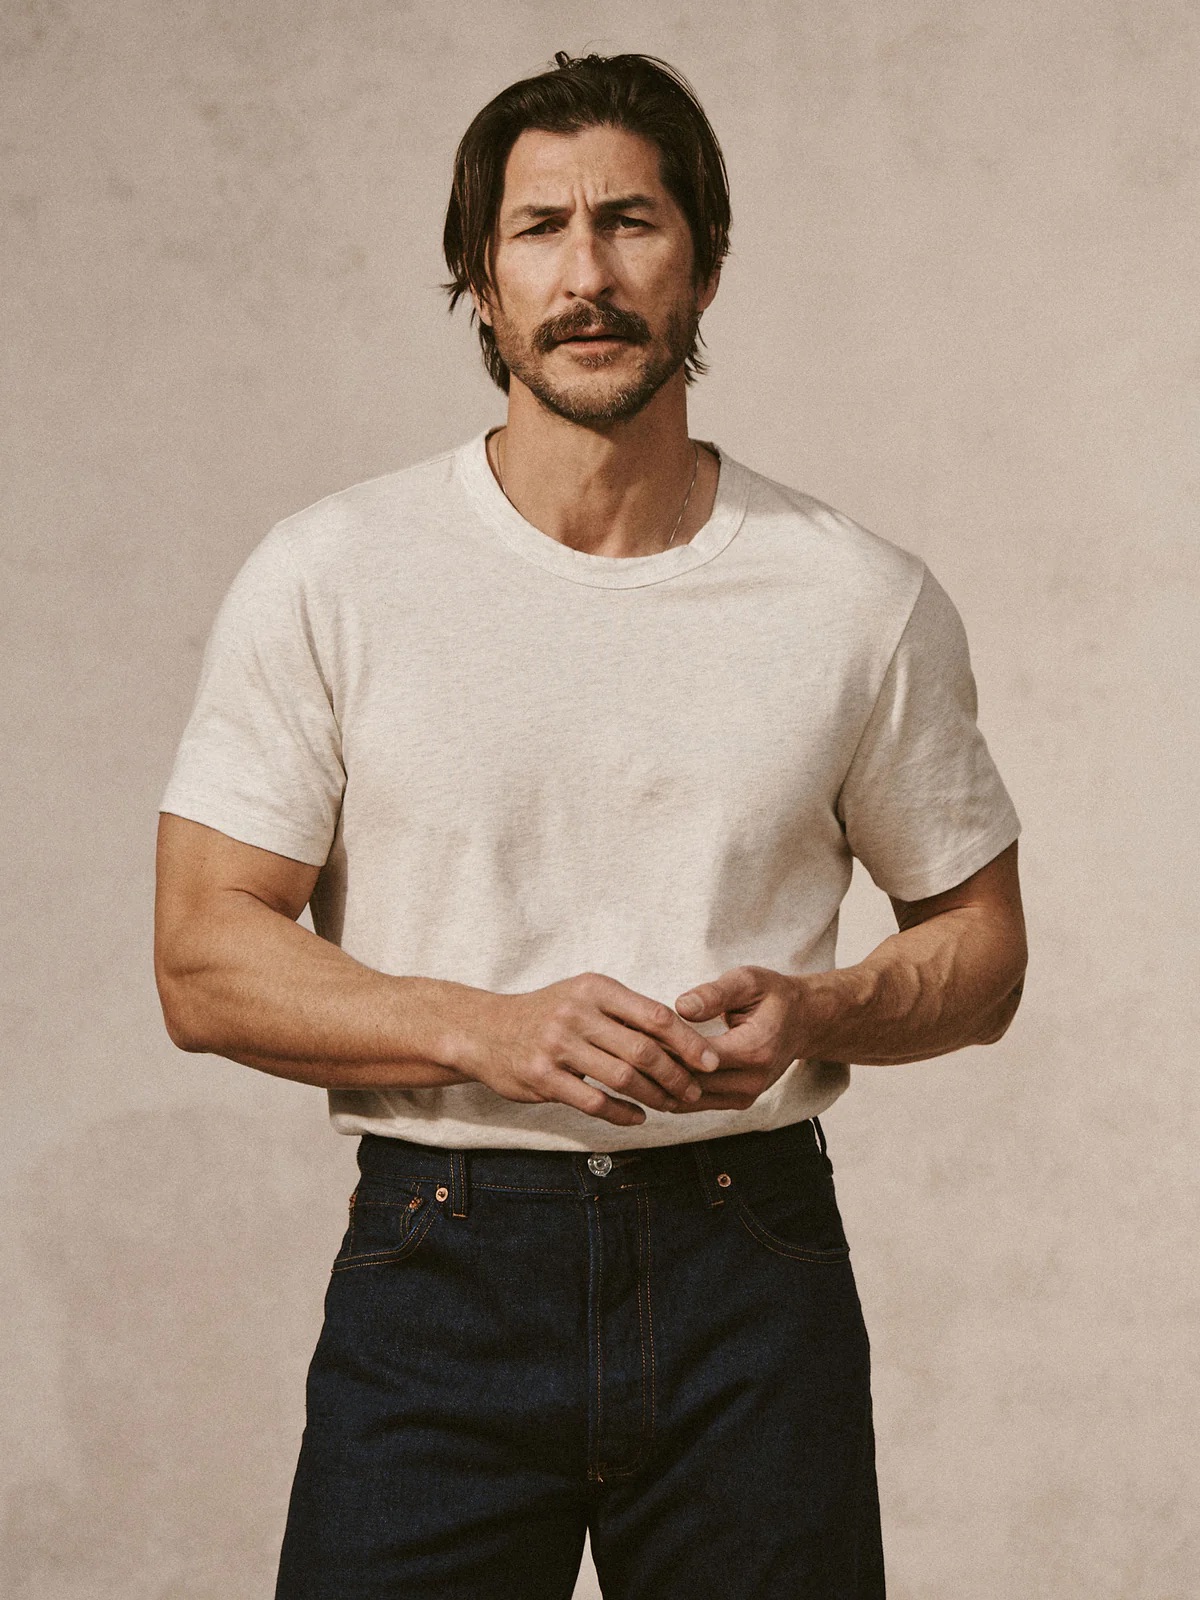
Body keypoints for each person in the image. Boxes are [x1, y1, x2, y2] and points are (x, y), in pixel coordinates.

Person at [154, 49, 1026, 1600]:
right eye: (540, 229)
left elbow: (984, 949)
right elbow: (201, 956)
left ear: (704, 261)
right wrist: (485, 1029)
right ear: (481, 283)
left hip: (748, 1260)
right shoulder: (333, 574)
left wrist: (819, 1009)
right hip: (439, 1262)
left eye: (631, 221)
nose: (588, 276)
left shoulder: (855, 597)